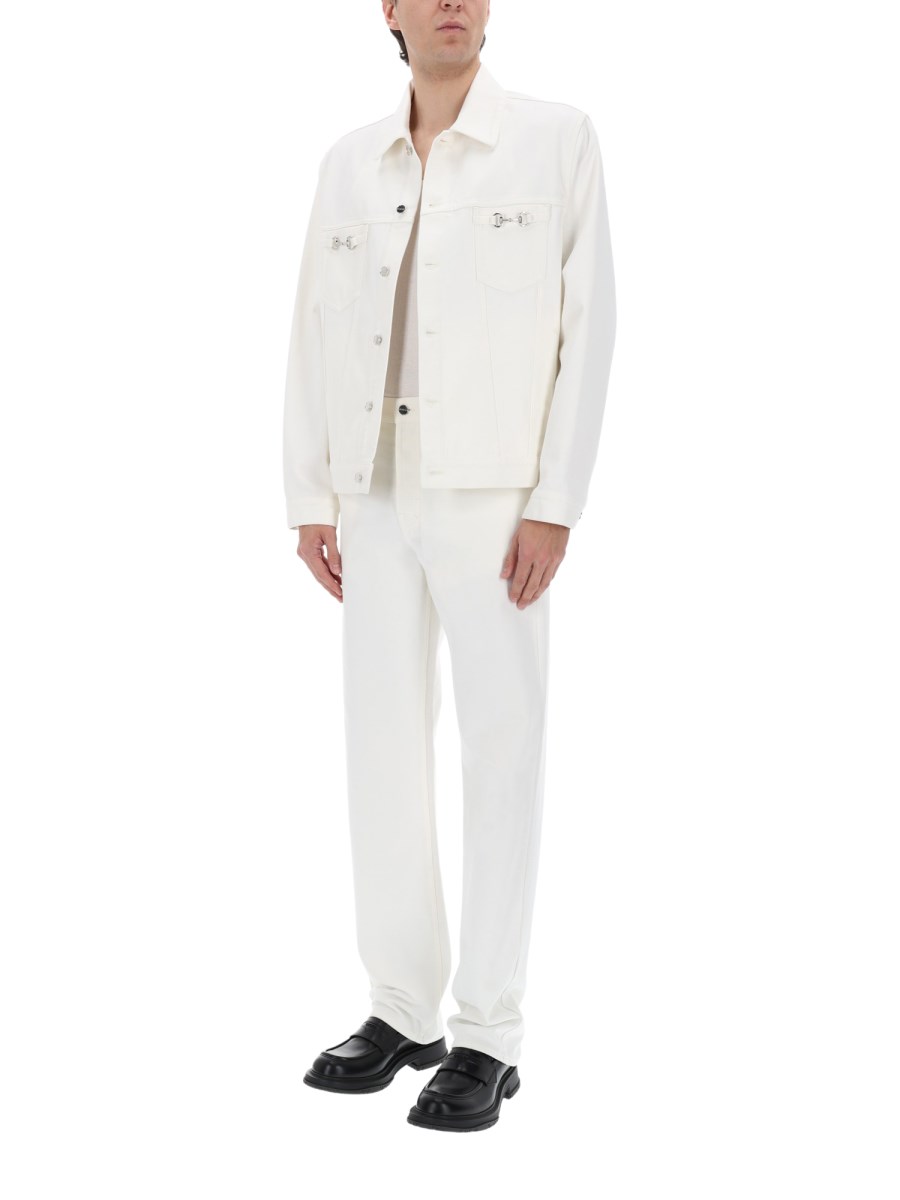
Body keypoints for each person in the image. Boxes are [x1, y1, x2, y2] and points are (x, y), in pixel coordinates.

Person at [283, 0, 616, 1132]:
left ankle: (487, 1035)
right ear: (389, 10)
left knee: (501, 750)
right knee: (380, 749)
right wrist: (311, 495)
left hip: (495, 499)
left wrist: (555, 503)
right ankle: (400, 1009)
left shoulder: (556, 138)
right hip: (372, 491)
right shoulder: (349, 162)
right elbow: (312, 328)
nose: (452, 4)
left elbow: (589, 328)